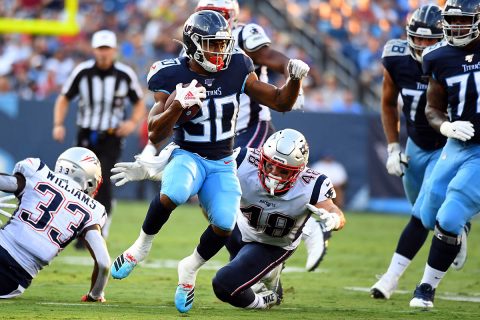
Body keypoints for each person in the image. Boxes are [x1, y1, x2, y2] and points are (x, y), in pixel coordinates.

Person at [109, 10, 309, 314]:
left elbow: (280, 101)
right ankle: (141, 246)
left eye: (222, 44)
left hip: (222, 161)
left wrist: (294, 79)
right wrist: (177, 104)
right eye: (212, 45)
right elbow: (154, 130)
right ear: (192, 44)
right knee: (174, 192)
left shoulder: (238, 66)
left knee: (225, 224)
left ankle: (189, 270)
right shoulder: (171, 73)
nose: (219, 51)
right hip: (187, 153)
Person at [194, 0, 328, 273]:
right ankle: (246, 262)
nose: (211, 20)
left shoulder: (243, 35)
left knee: (252, 194)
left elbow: (273, 58)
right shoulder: (197, 40)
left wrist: (293, 77)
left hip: (251, 129)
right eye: (205, 14)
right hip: (220, 136)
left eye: (218, 14)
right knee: (214, 203)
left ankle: (305, 227)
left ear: (231, 17)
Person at [370, 5, 459, 300]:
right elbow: (387, 103)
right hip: (416, 145)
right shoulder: (396, 58)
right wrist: (393, 146)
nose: (422, 46)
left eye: (430, 40)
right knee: (420, 211)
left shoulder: (452, 61)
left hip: (447, 146)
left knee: (422, 213)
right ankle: (458, 228)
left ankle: (391, 279)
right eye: (417, 39)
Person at [212, 129, 346, 309]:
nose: (273, 174)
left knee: (223, 285)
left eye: (283, 170)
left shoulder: (312, 183)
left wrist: (333, 219)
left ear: (298, 171)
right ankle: (268, 275)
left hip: (273, 244)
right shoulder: (243, 159)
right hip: (240, 227)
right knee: (219, 213)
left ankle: (265, 300)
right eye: (269, 165)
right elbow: (212, 172)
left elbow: (332, 209)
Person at [408, 0, 480, 308]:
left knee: (449, 216)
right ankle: (460, 229)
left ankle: (425, 287)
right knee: (428, 214)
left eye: (463, 20)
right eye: (451, 19)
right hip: (456, 143)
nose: (456, 25)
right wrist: (446, 127)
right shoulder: (437, 56)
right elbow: (433, 108)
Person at [52, 29, 147, 241]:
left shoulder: (124, 74)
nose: (103, 53)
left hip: (112, 136)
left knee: (101, 180)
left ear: (114, 50)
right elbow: (64, 98)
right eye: (100, 48)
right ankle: (78, 228)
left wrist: (132, 122)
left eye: (107, 48)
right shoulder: (83, 72)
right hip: (86, 134)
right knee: (77, 182)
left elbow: (139, 101)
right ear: (94, 50)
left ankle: (99, 228)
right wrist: (58, 124)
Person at [0, 147, 110, 301]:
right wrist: (95, 295)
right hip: (13, 278)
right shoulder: (93, 210)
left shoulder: (37, 171)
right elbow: (104, 263)